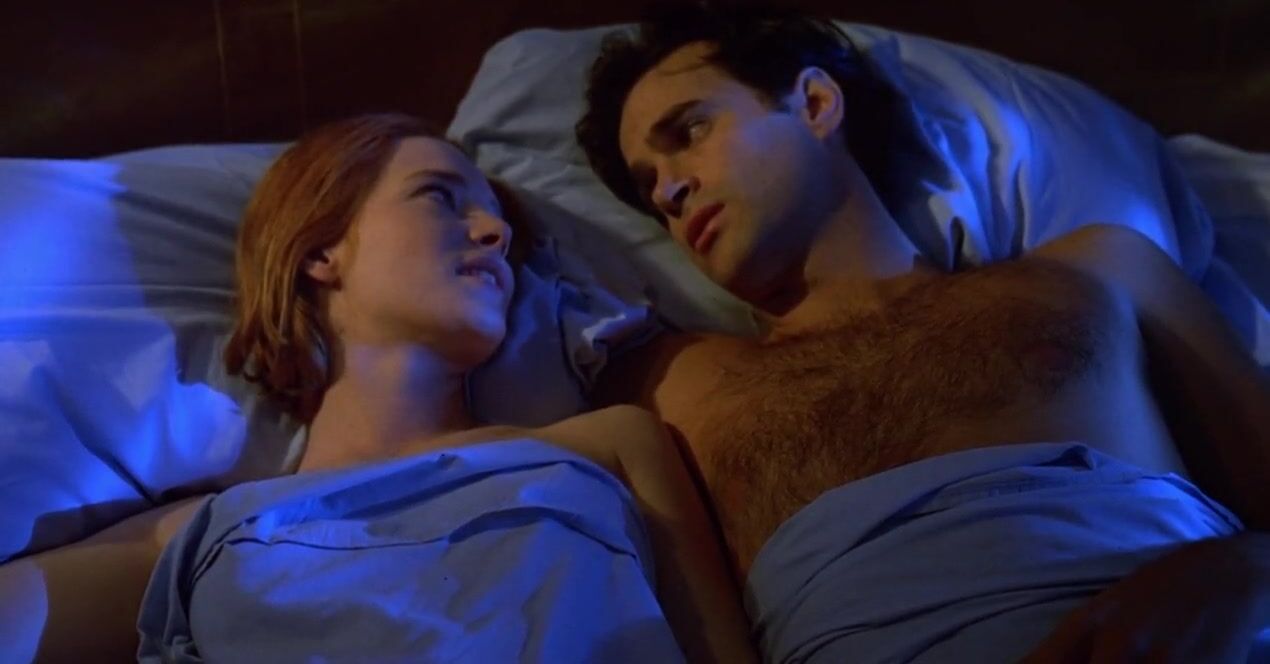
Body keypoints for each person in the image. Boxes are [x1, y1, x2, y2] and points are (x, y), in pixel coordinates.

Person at [575, 3, 1270, 662]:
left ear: (815, 103)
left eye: (690, 131)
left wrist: (1238, 568)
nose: (668, 192)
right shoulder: (672, 387)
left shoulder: (1101, 269)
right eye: (648, 187)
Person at [0, 114, 755, 663]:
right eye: (440, 197)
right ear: (321, 249)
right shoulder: (196, 533)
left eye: (500, 223)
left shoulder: (611, 448)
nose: (493, 233)